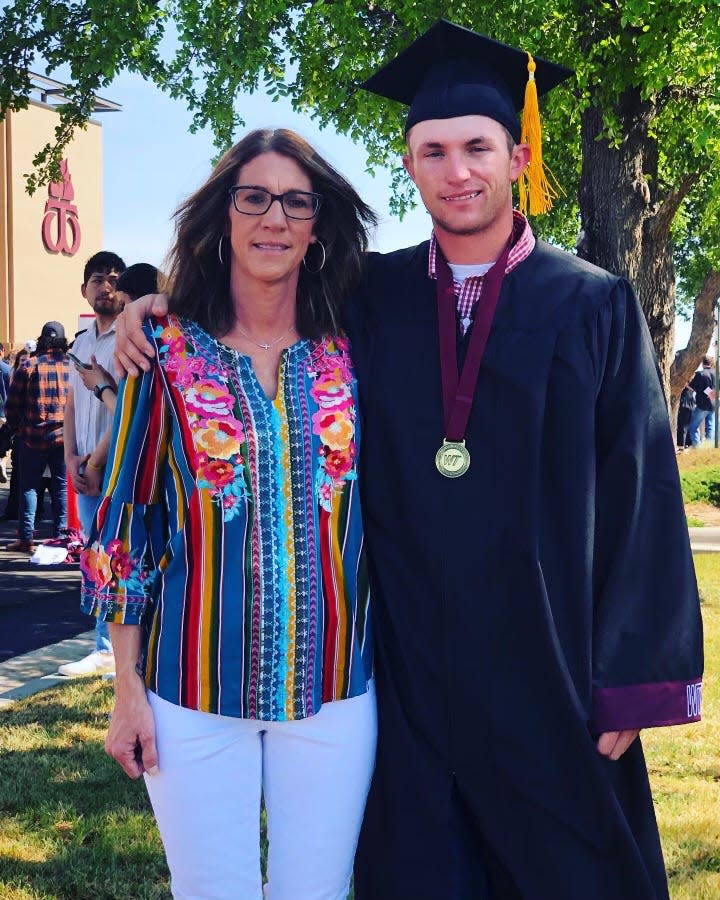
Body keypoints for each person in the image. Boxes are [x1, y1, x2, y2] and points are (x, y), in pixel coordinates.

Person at [115, 22, 704, 900]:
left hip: (549, 671)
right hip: (408, 677)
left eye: (477, 147)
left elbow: (643, 492)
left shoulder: (592, 304)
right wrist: (154, 304)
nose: (456, 170)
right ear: (409, 161)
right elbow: (258, 291)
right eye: (433, 150)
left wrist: (632, 677)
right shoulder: (373, 297)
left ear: (517, 154)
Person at [80, 129, 377, 900]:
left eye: (295, 201)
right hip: (192, 693)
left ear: (317, 225)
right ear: (224, 216)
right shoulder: (165, 352)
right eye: (254, 197)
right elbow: (127, 522)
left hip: (336, 693)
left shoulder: (359, 345)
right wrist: (125, 688)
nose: (273, 218)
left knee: (317, 892)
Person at [58, 251, 126, 678]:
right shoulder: (80, 343)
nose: (106, 286)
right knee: (96, 557)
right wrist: (69, 458)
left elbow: (126, 410)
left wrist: (98, 460)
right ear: (84, 288)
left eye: (114, 279)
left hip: (117, 469)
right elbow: (70, 405)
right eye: (98, 278)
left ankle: (115, 648)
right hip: (85, 471)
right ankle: (104, 646)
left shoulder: (129, 337)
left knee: (121, 555)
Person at [3, 322, 69, 554]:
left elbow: (12, 406)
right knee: (61, 487)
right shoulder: (72, 366)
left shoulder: (29, 366)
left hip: (32, 437)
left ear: (41, 340)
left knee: (29, 487)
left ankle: (26, 538)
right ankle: (62, 535)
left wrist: (17, 429)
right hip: (64, 437)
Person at [77, 264, 163, 413]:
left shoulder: (146, 342)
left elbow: (128, 418)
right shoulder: (167, 336)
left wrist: (101, 387)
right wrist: (112, 386)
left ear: (142, 302)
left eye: (123, 306)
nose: (120, 315)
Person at [688, 355, 716, 447]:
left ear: (702, 363)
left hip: (702, 405)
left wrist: (685, 384)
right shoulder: (716, 374)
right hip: (713, 404)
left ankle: (698, 448)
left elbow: (691, 387)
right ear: (711, 363)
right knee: (710, 428)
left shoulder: (700, 374)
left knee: (693, 427)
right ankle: (709, 450)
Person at [0, 341, 11, 482]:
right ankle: (2, 460)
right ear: (2, 351)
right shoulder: (7, 369)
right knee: (8, 444)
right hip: (4, 414)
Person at [677, 383, 695, 450]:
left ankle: (682, 445)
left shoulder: (685, 388)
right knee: (687, 426)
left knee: (683, 427)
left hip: (685, 406)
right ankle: (688, 443)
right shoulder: (691, 387)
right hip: (690, 405)